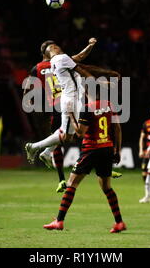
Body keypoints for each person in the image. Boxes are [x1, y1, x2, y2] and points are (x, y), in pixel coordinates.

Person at [43, 94, 126, 233]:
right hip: (107, 148)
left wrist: (71, 115)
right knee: (107, 187)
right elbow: (117, 128)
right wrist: (117, 150)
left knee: (72, 183)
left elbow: (80, 132)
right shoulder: (109, 104)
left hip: (91, 150)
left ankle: (59, 221)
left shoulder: (87, 108)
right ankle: (119, 223)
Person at [23, 38, 97, 192]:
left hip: (55, 104)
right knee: (69, 134)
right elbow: (79, 58)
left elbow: (28, 87)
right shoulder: (61, 59)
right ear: (49, 50)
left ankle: (48, 155)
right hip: (67, 99)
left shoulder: (37, 68)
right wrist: (90, 46)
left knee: (67, 135)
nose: (58, 48)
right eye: (56, 46)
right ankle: (39, 150)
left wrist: (29, 100)